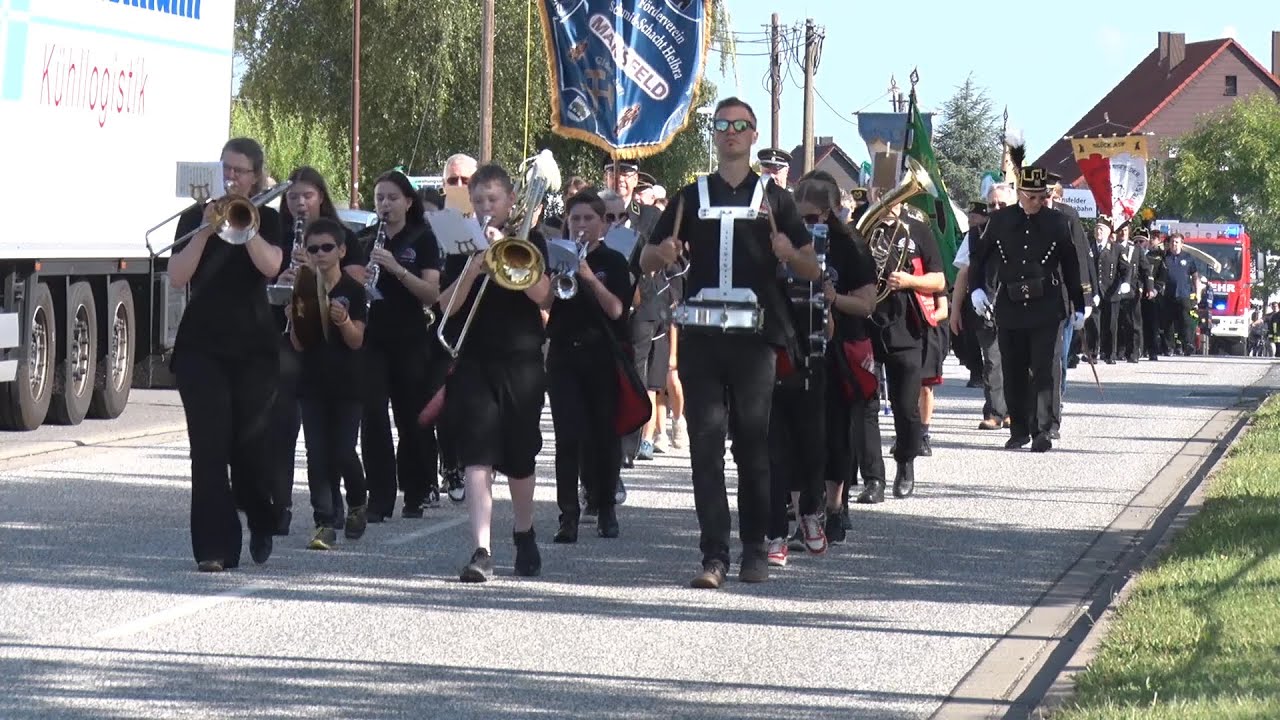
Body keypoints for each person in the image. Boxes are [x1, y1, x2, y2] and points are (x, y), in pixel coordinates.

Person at [641, 97, 820, 588]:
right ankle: (713, 555)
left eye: (741, 125)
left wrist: (788, 253)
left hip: (755, 340)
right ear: (714, 134)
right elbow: (646, 261)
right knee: (704, 445)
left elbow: (812, 269)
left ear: (754, 134)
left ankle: (754, 549)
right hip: (701, 338)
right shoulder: (690, 196)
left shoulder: (776, 200)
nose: (731, 132)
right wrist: (662, 252)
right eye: (722, 125)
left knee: (753, 445)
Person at [168, 137, 285, 572]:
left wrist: (244, 227)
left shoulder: (268, 218)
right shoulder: (193, 218)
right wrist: (205, 226)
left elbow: (271, 266)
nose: (231, 177)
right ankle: (214, 548)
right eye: (225, 169)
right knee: (208, 450)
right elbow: (177, 276)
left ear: (255, 177)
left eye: (239, 171)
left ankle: (261, 515)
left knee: (250, 449)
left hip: (253, 350)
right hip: (201, 347)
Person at [438, 163, 553, 582]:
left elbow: (545, 297)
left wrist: (506, 251)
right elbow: (445, 306)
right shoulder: (461, 244)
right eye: (479, 200)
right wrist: (474, 267)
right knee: (477, 453)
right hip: (474, 360)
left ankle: (524, 532)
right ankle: (482, 550)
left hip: (521, 361)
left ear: (510, 201)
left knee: (520, 456)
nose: (486, 207)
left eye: (493, 199)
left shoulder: (530, 239)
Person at [969, 166, 1087, 453]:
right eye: (1030, 196)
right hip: (1011, 306)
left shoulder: (1058, 222)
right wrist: (976, 289)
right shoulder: (1000, 220)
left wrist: (1080, 304)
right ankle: (1019, 430)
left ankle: (1044, 429)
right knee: (1014, 369)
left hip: (1047, 306)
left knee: (1045, 369)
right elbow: (979, 257)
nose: (1036, 202)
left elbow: (1072, 264)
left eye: (1040, 196)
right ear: (1019, 194)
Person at [269, 166, 360, 536]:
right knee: (284, 426)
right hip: (288, 340)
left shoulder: (343, 238)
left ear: (321, 196)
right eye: (293, 197)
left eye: (307, 195)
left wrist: (314, 276)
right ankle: (282, 506)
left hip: (331, 349)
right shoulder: (277, 236)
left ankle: (337, 504)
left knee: (331, 441)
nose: (300, 203)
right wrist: (282, 281)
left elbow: (353, 286)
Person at [355, 171, 443, 522]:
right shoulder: (365, 240)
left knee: (411, 416)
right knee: (373, 414)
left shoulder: (423, 238)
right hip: (372, 337)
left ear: (408, 202)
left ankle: (416, 490)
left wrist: (397, 269)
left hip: (410, 337)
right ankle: (379, 496)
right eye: (379, 198)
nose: (385, 205)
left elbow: (432, 294)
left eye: (392, 198)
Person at [546, 190, 632, 543]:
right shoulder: (556, 257)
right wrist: (554, 278)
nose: (581, 225)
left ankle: (606, 507)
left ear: (602, 224)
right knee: (567, 437)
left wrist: (588, 276)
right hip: (563, 355)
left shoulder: (614, 261)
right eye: (575, 219)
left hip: (601, 355)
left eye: (588, 219)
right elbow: (544, 303)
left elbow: (617, 310)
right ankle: (567, 515)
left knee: (604, 435)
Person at [288, 217, 369, 549]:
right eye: (313, 249)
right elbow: (297, 344)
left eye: (326, 248)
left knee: (343, 450)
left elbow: (356, 340)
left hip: (348, 384)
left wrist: (345, 320)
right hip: (312, 382)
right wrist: (296, 318)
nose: (320, 254)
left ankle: (358, 500)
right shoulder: (303, 289)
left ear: (341, 251)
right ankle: (324, 521)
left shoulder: (354, 290)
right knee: (317, 453)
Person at [859, 190, 945, 501]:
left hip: (905, 329)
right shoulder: (861, 225)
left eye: (892, 188)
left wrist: (910, 281)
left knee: (906, 407)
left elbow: (939, 281)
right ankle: (873, 479)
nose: (885, 194)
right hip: (866, 325)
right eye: (879, 188)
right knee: (864, 405)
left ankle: (905, 462)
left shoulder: (918, 229)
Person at [1160, 233, 1201, 355]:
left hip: (1184, 294)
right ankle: (1169, 347)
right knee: (1168, 322)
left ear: (1182, 244)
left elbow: (1195, 277)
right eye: (1172, 242)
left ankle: (1187, 344)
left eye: (1177, 242)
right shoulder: (1164, 258)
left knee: (1185, 321)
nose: (1174, 244)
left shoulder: (1188, 258)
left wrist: (1198, 293)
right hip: (1168, 294)